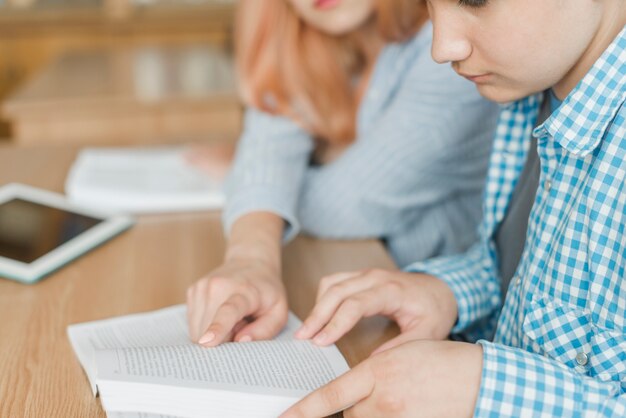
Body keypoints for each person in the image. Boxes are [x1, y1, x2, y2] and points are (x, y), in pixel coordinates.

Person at [281, 0, 626, 416]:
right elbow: (531, 282)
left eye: (475, 1)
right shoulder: (532, 94)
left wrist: (487, 391)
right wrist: (448, 292)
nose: (442, 48)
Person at [186, 0, 499, 347]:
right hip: (380, 310)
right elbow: (269, 145)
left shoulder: (450, 51)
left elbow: (345, 205)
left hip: (460, 334)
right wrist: (248, 260)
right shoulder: (321, 45)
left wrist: (247, 172)